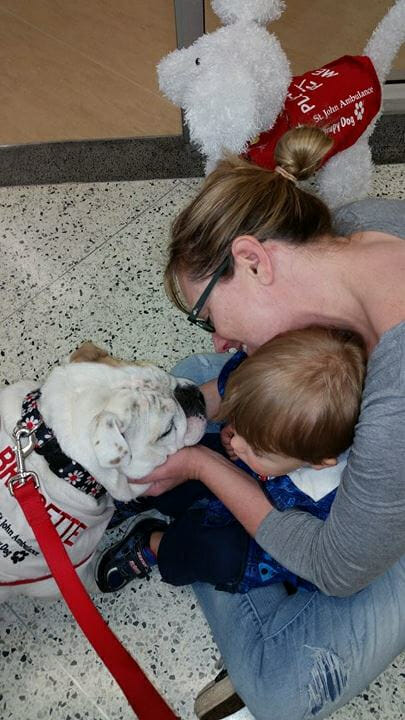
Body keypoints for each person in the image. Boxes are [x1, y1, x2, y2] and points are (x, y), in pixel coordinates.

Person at [134, 124, 405, 720]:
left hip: (382, 503)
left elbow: (339, 567)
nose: (223, 337)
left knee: (282, 690)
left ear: (254, 260)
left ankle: (237, 571)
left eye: (209, 315)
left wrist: (204, 464)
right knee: (198, 380)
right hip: (366, 437)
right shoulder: (358, 224)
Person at [96, 327, 366, 598]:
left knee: (212, 553)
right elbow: (239, 402)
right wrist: (237, 428)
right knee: (179, 461)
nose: (237, 442)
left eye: (258, 446)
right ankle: (146, 495)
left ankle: (154, 542)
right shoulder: (281, 438)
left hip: (257, 542)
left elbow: (300, 561)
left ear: (318, 462)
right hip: (246, 476)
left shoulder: (332, 504)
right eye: (242, 429)